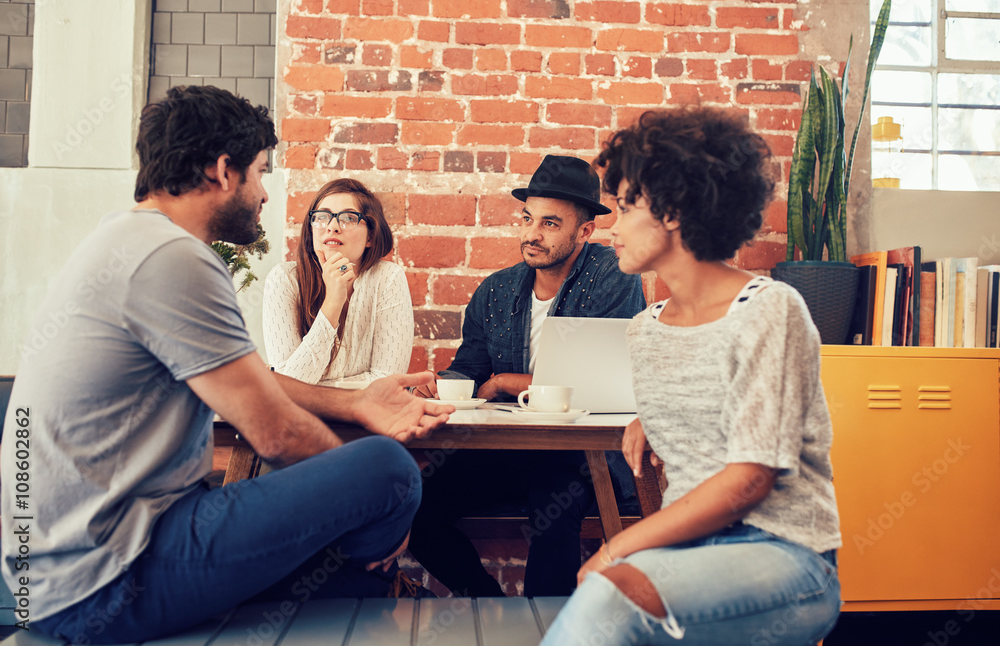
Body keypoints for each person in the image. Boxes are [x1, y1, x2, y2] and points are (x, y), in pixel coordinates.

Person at [1, 85, 452, 644]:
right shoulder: (174, 258)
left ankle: (348, 601)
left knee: (341, 538)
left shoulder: (125, 242)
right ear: (222, 171)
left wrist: (355, 402)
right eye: (260, 172)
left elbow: (250, 382)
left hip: (59, 577)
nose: (265, 193)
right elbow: (278, 434)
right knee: (388, 472)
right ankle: (368, 593)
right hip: (106, 581)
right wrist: (374, 505)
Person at [541, 108, 842, 645]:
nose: (611, 227)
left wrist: (616, 550)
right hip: (690, 558)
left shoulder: (771, 310)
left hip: (783, 558)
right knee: (608, 601)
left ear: (674, 210)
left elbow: (749, 478)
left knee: (607, 598)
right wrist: (651, 420)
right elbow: (689, 447)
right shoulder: (645, 330)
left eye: (628, 206)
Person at [408, 155, 647, 598]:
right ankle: (492, 609)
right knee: (413, 509)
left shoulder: (612, 276)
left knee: (553, 514)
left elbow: (594, 379)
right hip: (507, 449)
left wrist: (505, 384)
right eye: (527, 218)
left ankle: (546, 629)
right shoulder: (496, 290)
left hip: (577, 454)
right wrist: (438, 387)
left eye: (551, 224)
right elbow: (470, 369)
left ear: (584, 231)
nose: (532, 234)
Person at [262, 178, 412, 386]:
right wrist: (333, 301)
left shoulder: (388, 278)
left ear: (371, 236)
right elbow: (289, 386)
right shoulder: (284, 279)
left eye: (348, 218)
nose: (332, 227)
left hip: (368, 418)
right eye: (322, 217)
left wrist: (315, 388)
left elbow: (388, 383)